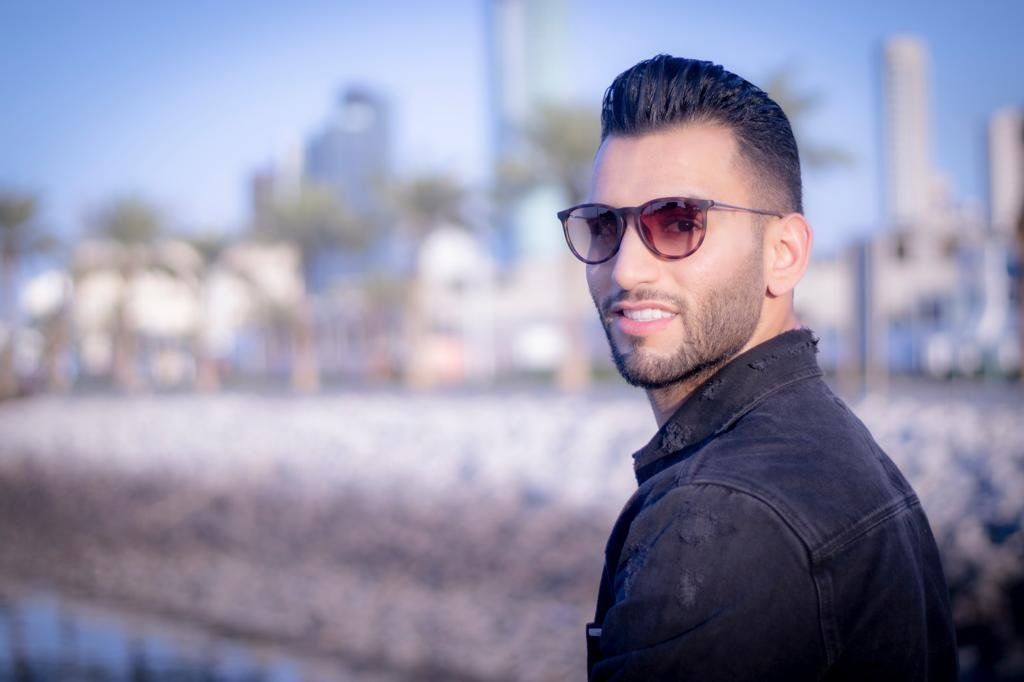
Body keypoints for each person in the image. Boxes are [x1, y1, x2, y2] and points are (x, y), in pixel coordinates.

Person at [558, 55, 958, 680]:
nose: (626, 269)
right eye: (604, 225)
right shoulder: (827, 446)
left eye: (678, 222)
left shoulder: (722, 516)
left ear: (784, 253)